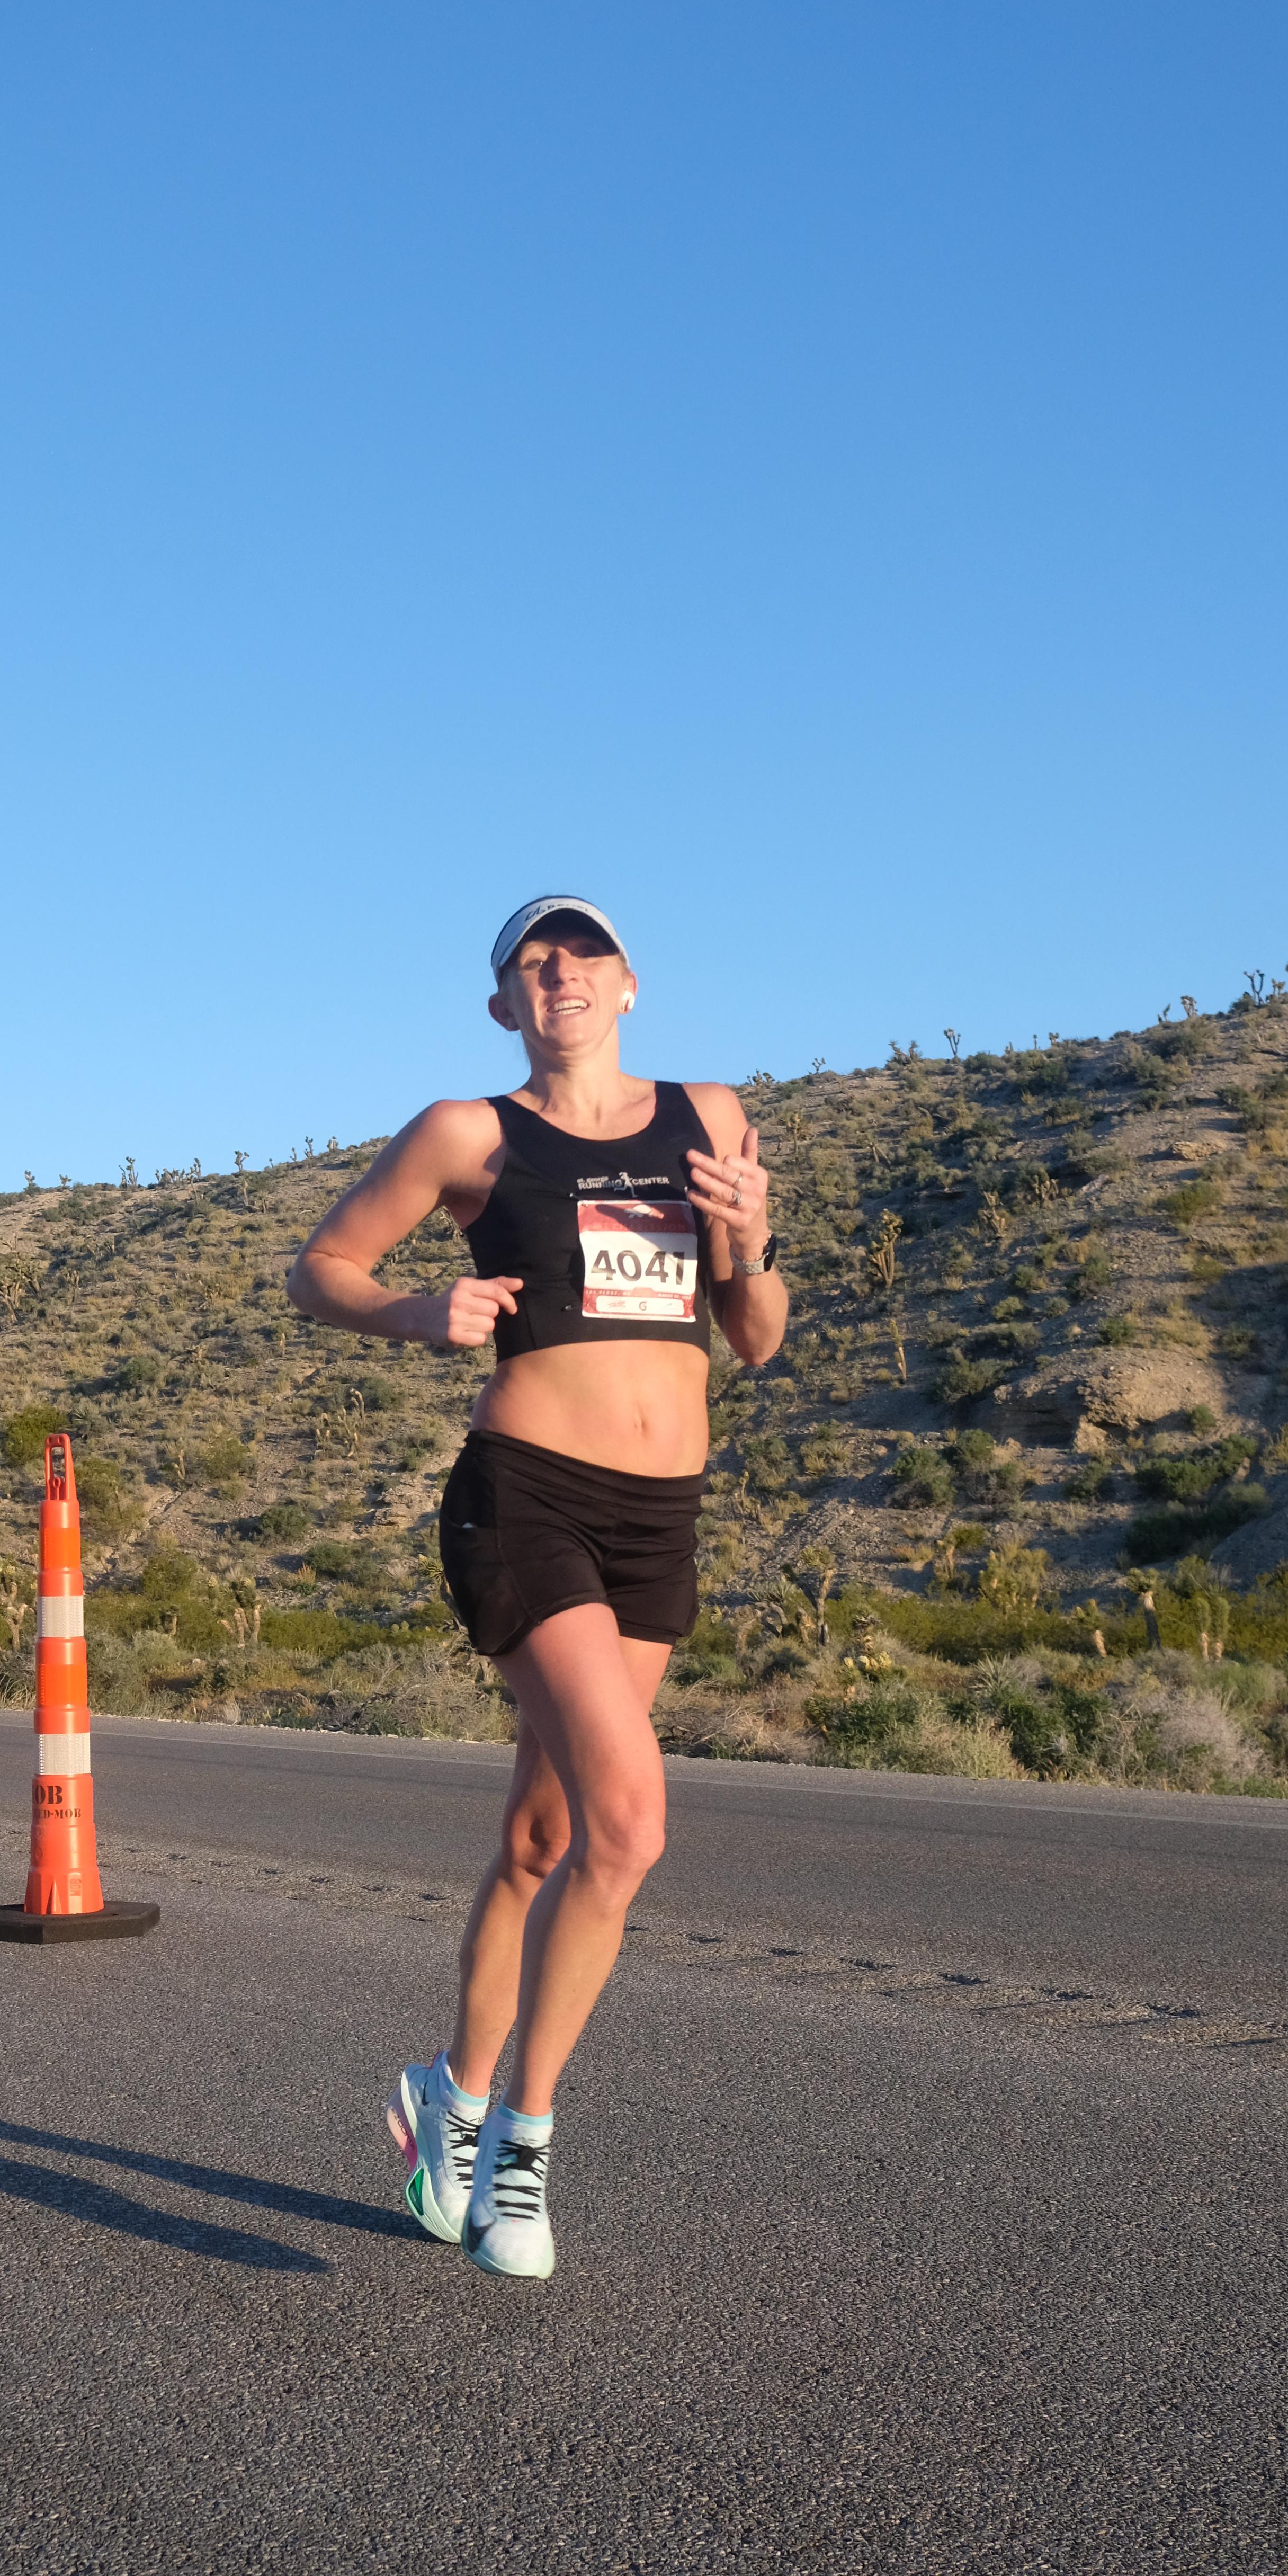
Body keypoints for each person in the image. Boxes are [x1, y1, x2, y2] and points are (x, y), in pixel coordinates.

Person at [284, 895, 788, 2280]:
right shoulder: (469, 1133)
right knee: (628, 1826)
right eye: (532, 960)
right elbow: (318, 1268)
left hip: (659, 1519)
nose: (559, 971)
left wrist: (749, 1239)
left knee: (540, 1840)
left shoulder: (711, 1117)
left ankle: (444, 2099)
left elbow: (754, 1338)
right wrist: (414, 1312)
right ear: (505, 1004)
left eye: (584, 953)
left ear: (629, 985)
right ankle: (523, 2146)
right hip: (527, 1502)